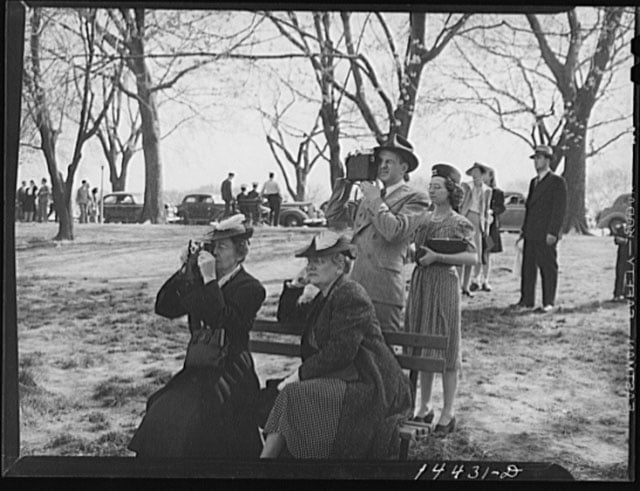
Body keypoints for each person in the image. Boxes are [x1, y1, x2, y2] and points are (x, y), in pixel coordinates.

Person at [260, 230, 413, 459]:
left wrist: (297, 376)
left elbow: (341, 352)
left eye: (318, 261)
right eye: (309, 261)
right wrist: (295, 285)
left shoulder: (350, 293)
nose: (311, 266)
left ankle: (264, 466)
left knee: (292, 394)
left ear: (339, 265)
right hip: (343, 379)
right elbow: (287, 316)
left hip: (371, 386)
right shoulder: (326, 295)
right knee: (282, 395)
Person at [128, 214, 266, 459]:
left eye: (222, 247)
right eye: (213, 247)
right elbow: (165, 307)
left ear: (240, 252)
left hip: (232, 372)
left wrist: (210, 278)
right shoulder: (202, 282)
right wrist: (185, 270)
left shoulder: (251, 288)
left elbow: (220, 318)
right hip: (199, 370)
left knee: (196, 417)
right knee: (161, 407)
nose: (215, 253)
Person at [324, 134, 430, 332]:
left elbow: (394, 231)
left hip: (384, 291)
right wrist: (346, 184)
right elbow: (333, 215)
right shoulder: (371, 197)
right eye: (380, 161)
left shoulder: (416, 198)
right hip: (356, 286)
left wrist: (374, 199)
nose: (383, 166)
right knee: (354, 353)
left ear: (404, 168)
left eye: (389, 162)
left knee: (384, 353)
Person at [404, 163, 477, 436]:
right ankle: (424, 406)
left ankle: (449, 411)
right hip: (421, 283)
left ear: (450, 190)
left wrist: (439, 257)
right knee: (421, 343)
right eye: (430, 187)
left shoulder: (459, 222)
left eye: (437, 187)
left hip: (444, 283)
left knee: (446, 346)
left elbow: (472, 257)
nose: (432, 191)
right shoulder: (423, 219)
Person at [512, 145, 568, 314]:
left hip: (546, 234)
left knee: (547, 267)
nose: (536, 161)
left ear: (548, 160)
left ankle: (548, 302)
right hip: (531, 232)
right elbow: (530, 209)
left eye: (540, 158)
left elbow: (559, 210)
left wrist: (553, 232)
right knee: (528, 268)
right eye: (535, 158)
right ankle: (526, 300)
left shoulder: (557, 182)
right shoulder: (533, 182)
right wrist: (523, 233)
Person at [459, 162, 492, 296]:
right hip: (466, 217)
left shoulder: (487, 190)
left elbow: (486, 210)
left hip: (479, 222)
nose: (475, 176)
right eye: (473, 173)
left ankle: (466, 286)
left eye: (478, 173)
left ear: (482, 175)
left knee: (474, 254)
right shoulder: (466, 186)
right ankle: (458, 285)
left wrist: (486, 226)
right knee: (462, 252)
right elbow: (461, 203)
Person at [479, 167, 505, 292]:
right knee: (477, 252)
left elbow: (502, 208)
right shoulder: (478, 191)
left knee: (487, 253)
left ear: (491, 176)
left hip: (490, 228)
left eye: (485, 174)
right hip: (478, 227)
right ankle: (475, 279)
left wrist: (492, 211)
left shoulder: (498, 192)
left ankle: (485, 280)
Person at [611, 220, 631, 302]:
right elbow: (616, 240)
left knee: (630, 275)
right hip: (622, 255)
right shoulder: (622, 227)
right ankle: (617, 294)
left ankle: (628, 294)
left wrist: (626, 241)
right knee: (620, 274)